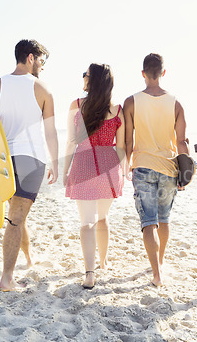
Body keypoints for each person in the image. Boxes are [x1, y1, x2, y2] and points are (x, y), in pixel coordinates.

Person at [0, 39, 59, 291]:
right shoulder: (44, 90)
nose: (42, 66)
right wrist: (55, 162)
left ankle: (29, 258)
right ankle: (7, 278)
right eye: (41, 60)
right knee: (17, 216)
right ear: (30, 58)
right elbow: (50, 132)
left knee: (17, 215)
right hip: (32, 159)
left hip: (2, 160)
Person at [124, 53, 189, 287]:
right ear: (163, 73)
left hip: (142, 165)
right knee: (164, 219)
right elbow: (181, 143)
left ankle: (156, 274)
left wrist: (126, 165)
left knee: (148, 222)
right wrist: (185, 172)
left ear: (143, 74)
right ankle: (160, 262)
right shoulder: (176, 103)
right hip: (168, 167)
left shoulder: (131, 102)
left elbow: (128, 141)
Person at [63, 63, 125, 289]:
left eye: (85, 75)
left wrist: (65, 170)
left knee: (86, 222)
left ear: (92, 80)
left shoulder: (77, 105)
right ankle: (104, 261)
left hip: (83, 163)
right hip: (109, 167)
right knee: (102, 218)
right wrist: (123, 171)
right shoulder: (117, 110)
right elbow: (123, 147)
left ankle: (89, 273)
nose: (83, 78)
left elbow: (71, 140)